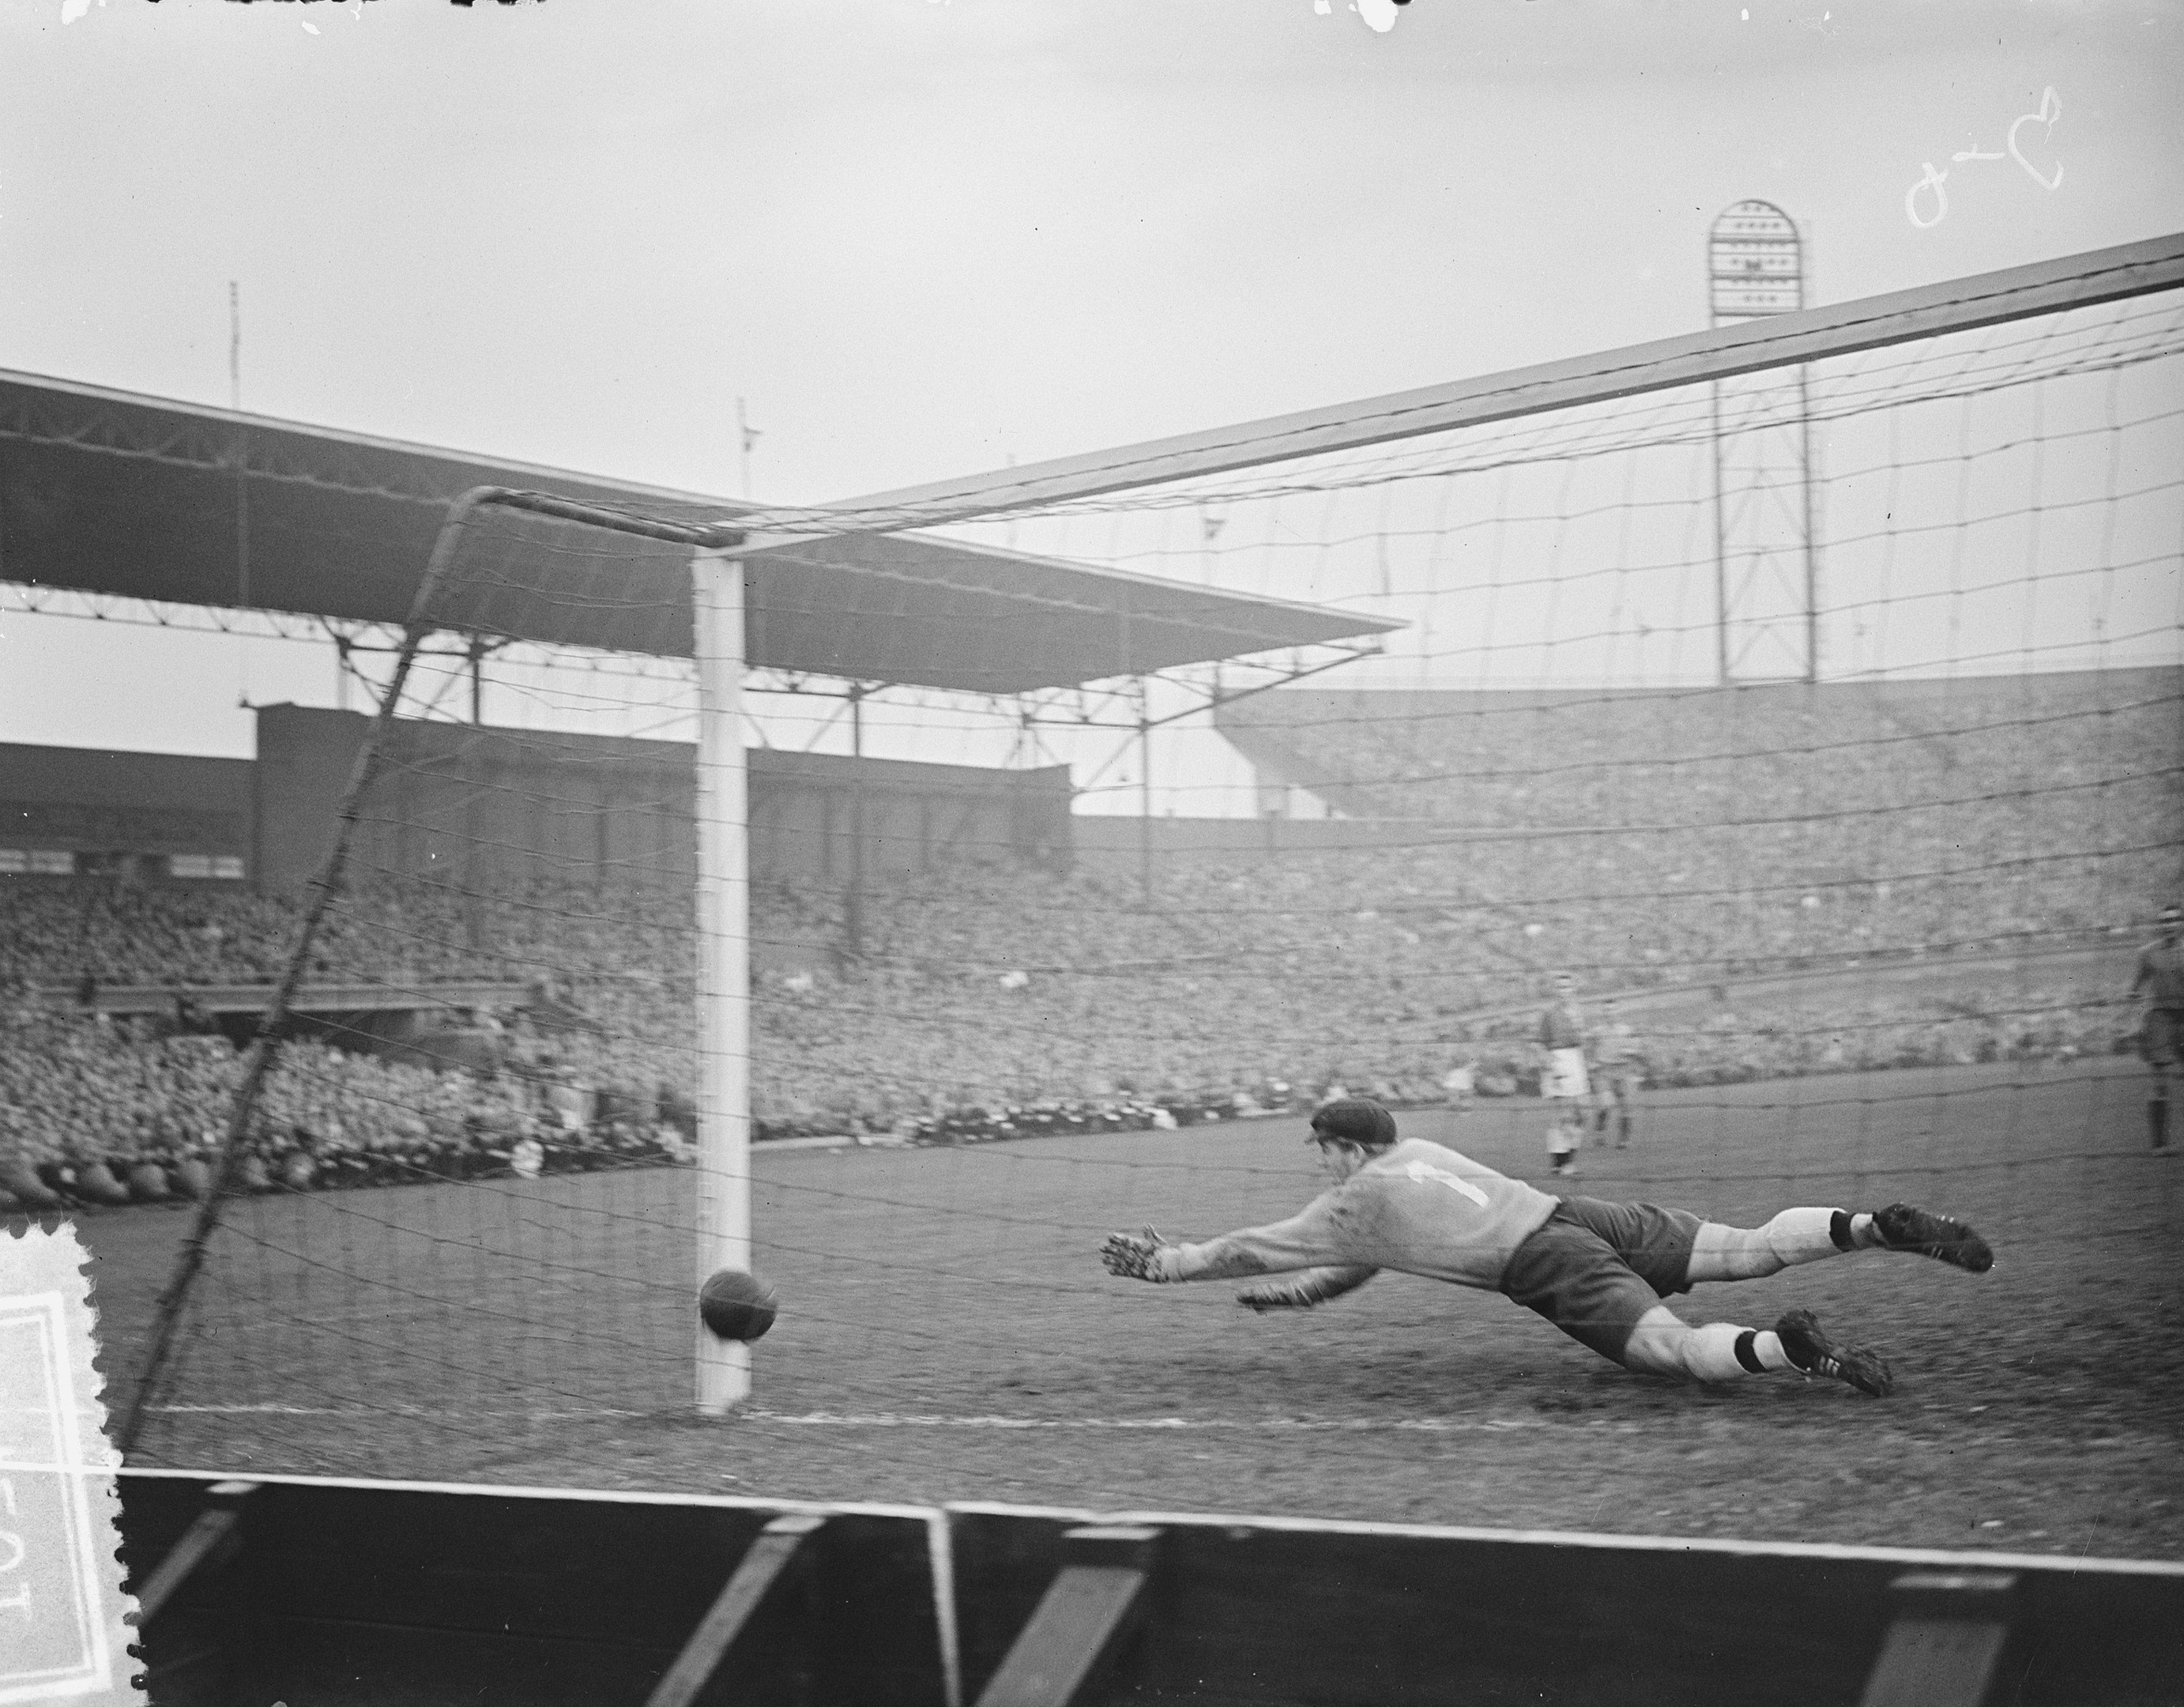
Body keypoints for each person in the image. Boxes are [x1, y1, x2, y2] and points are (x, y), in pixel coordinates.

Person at [1100, 1098, 1994, 1399]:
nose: (1321, 1164)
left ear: (1346, 1148)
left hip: (1544, 1266)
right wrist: (1298, 1299)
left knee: (1671, 1354)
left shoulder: (1357, 1196)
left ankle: (1785, 1351)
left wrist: (1168, 1262)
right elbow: (1354, 1262)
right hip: (1577, 1214)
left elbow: (1260, 1248)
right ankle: (1873, 1228)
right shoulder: (1420, 1157)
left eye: (1323, 1149)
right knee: (1752, 1249)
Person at [2130, 903, 2183, 1154]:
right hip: (2160, 1018)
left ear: (2181, 923)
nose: (2170, 925)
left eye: (2174, 920)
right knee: (2160, 1082)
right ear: (2160, 926)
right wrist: (2136, 1018)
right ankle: (2159, 1145)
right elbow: (2136, 989)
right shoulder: (2148, 954)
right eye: (2165, 921)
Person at [1536, 973, 1588, 1178]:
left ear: (1573, 990)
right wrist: (1552, 1067)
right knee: (1564, 1115)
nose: (1563, 991)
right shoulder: (1549, 1014)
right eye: (1559, 988)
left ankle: (1560, 1162)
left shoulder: (1577, 1012)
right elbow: (1540, 1044)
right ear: (1555, 991)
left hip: (1576, 1061)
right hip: (1558, 1061)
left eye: (1567, 987)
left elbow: (1580, 1040)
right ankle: (1565, 1163)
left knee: (1582, 1113)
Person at [1590, 998, 1641, 1148]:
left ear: (1618, 1012)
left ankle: (1624, 1140)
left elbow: (1636, 1051)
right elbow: (1590, 1050)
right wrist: (1593, 1062)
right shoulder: (1597, 1032)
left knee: (1626, 1108)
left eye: (1613, 1010)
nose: (1610, 1013)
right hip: (1605, 1072)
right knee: (1606, 1104)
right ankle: (1600, 1131)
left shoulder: (1626, 1031)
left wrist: (1629, 1052)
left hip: (1623, 1072)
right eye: (1607, 1010)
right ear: (1603, 1013)